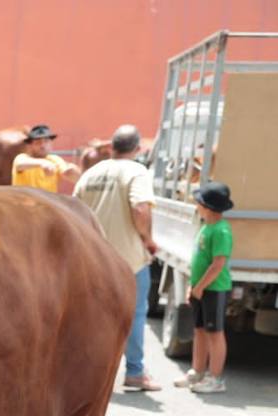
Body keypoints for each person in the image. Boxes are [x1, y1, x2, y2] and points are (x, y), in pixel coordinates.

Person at [72, 124, 160, 391]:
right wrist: (147, 239)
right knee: (134, 315)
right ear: (137, 149)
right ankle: (134, 372)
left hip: (93, 256)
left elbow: (73, 209)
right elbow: (141, 207)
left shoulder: (92, 173)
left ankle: (86, 373)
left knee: (90, 316)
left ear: (111, 147)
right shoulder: (136, 171)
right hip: (127, 259)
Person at [175, 181, 234, 394]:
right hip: (201, 288)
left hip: (214, 289)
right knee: (199, 330)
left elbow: (218, 264)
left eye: (198, 203)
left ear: (207, 207)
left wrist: (200, 286)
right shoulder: (206, 226)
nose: (196, 206)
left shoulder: (221, 231)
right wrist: (195, 286)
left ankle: (216, 378)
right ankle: (197, 371)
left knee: (215, 333)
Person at [12, 124, 80, 191]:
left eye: (46, 141)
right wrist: (43, 163)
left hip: (48, 201)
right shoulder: (22, 158)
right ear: (30, 145)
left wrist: (72, 172)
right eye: (38, 142)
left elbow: (66, 172)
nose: (43, 145)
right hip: (25, 201)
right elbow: (19, 164)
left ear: (51, 144)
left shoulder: (55, 159)